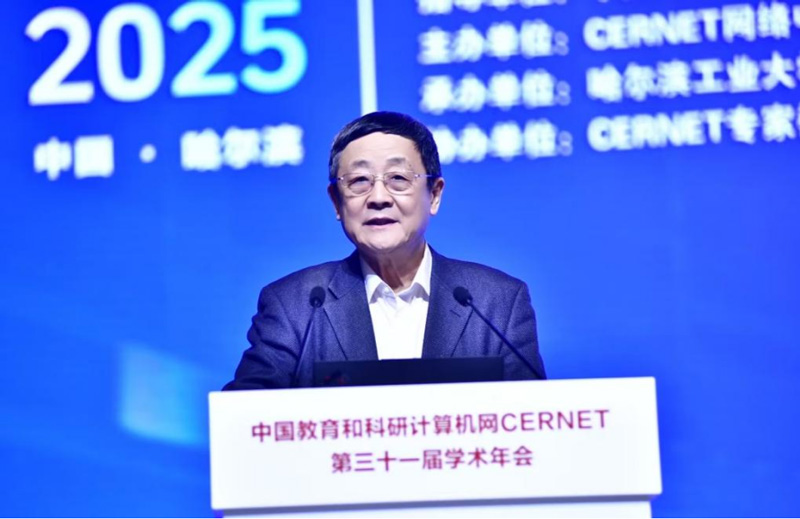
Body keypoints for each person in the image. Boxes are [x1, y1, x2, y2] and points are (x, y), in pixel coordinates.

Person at [224, 111, 545, 390]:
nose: (378, 197)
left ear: (434, 194)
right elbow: (243, 419)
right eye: (359, 181)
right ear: (336, 201)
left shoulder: (496, 302)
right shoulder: (295, 305)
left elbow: (534, 421)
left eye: (398, 178)